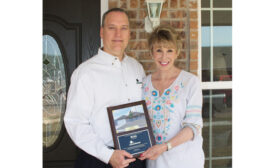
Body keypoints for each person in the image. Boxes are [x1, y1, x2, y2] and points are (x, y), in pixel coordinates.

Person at [64, 8, 146, 168]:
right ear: (102, 32)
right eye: (112, 28)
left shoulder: (136, 67)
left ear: (129, 33)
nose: (118, 34)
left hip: (135, 156)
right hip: (98, 160)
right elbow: (75, 122)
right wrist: (107, 155)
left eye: (123, 28)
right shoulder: (86, 72)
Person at [139, 25, 205, 168]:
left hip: (186, 161)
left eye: (169, 50)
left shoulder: (190, 82)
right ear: (151, 53)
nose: (164, 57)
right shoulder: (143, 85)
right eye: (159, 50)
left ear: (177, 53)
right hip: (155, 162)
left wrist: (164, 147)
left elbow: (193, 127)